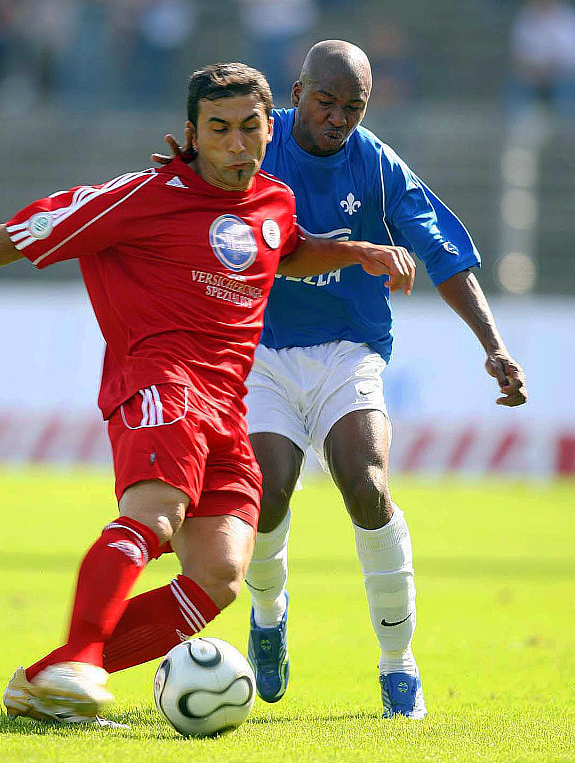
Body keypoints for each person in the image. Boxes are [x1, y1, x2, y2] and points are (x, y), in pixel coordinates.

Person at [0, 61, 415, 726]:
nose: (236, 144)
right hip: (158, 382)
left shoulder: (273, 201)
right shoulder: (142, 196)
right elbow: (24, 234)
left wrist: (359, 252)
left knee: (220, 574)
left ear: (271, 128)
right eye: (219, 129)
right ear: (192, 135)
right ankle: (79, 662)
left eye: (249, 127)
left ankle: (44, 680)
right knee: (157, 513)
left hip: (227, 407)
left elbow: (286, 250)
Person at [154, 39, 528, 720]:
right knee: (267, 493)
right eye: (325, 102)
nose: (337, 118)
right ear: (298, 93)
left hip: (348, 349)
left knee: (367, 483)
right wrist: (181, 173)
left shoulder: (376, 164)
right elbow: (190, 188)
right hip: (260, 351)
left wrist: (494, 347)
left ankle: (398, 664)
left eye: (353, 107)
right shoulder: (255, 142)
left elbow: (444, 254)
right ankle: (268, 614)